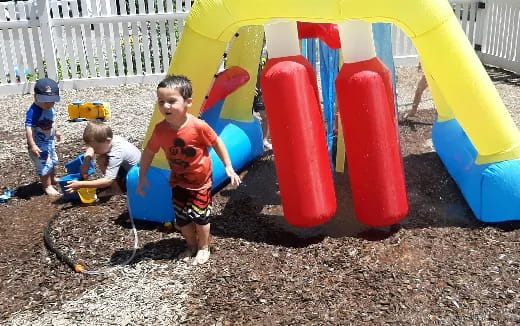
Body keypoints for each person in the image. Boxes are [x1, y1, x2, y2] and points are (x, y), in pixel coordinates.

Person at [137, 75, 241, 266]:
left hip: (200, 182)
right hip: (178, 180)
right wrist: (142, 176)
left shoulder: (197, 126)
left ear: (188, 102)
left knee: (200, 217)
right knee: (182, 218)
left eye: (171, 101)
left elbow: (217, 142)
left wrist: (228, 166)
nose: (165, 106)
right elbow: (149, 153)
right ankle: (191, 245)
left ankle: (204, 247)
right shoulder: (161, 130)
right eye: (161, 102)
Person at [65, 121, 141, 198]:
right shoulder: (109, 139)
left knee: (102, 160)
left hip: (137, 180)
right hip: (129, 170)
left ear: (107, 141)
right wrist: (86, 162)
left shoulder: (117, 153)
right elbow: (90, 148)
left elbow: (108, 181)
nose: (94, 151)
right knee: (102, 158)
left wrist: (81, 184)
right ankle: (117, 184)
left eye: (96, 148)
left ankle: (116, 190)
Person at [25, 78, 62, 196]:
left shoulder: (50, 108)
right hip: (39, 144)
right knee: (44, 164)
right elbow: (29, 128)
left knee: (53, 160)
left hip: (49, 141)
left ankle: (53, 178)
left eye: (52, 101)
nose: (49, 104)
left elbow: (52, 122)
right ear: (36, 97)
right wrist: (33, 145)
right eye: (46, 101)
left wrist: (56, 131)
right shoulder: (34, 111)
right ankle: (47, 186)